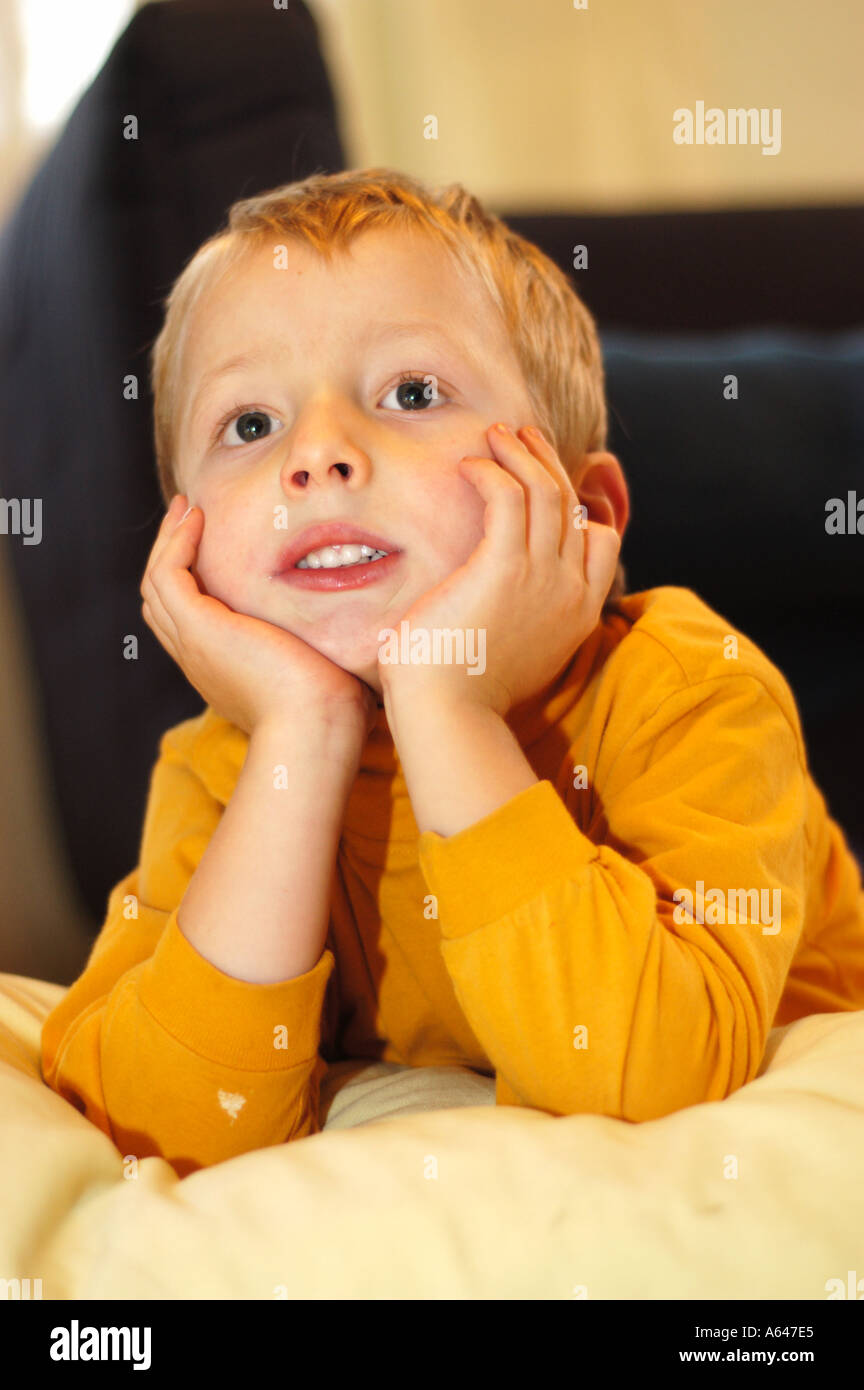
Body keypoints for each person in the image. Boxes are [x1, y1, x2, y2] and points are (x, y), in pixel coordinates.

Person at [40, 168, 864, 1178]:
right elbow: (155, 1122)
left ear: (582, 513)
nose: (319, 453)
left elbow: (647, 1076)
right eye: (250, 425)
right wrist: (303, 737)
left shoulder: (696, 690)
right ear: (184, 545)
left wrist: (445, 698)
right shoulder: (225, 764)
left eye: (412, 393)